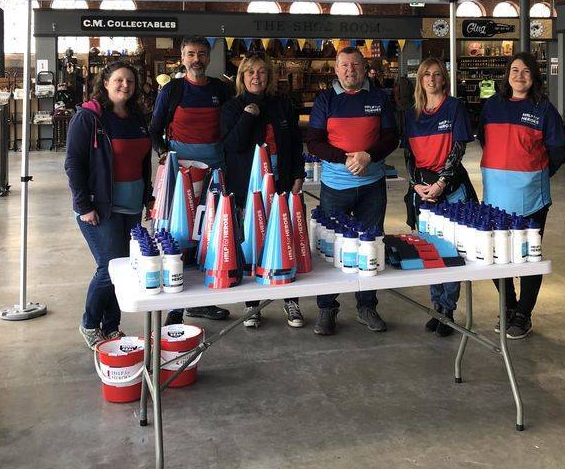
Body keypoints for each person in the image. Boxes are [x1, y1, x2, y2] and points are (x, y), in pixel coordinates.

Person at [307, 47, 398, 336]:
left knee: (371, 246)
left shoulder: (379, 98)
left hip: (372, 187)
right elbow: (315, 142)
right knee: (331, 248)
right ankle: (327, 308)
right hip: (335, 187)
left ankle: (367, 306)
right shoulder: (325, 100)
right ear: (336, 70)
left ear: (364, 67)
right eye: (344, 65)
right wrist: (345, 158)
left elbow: (392, 136)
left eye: (355, 65)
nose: (350, 70)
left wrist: (368, 156)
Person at [479, 52, 565, 340]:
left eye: (526, 71)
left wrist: (535, 173)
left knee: (528, 257)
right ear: (507, 75)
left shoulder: (544, 109)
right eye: (514, 70)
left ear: (534, 77)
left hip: (531, 198)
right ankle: (508, 305)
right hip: (495, 196)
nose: (519, 76)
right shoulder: (492, 106)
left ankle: (524, 314)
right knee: (495, 255)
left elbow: (557, 151)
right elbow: (484, 138)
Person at [65, 60, 151, 349]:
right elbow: (74, 164)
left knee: (125, 267)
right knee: (109, 267)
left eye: (130, 81)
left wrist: (148, 195)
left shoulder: (138, 117)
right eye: (119, 80)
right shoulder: (89, 118)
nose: (125, 85)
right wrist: (84, 203)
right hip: (100, 207)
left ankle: (111, 326)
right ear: (105, 83)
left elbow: (142, 161)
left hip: (132, 205)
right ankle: (90, 323)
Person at [148, 36, 231, 324]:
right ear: (182, 58)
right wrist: (162, 153)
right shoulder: (171, 90)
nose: (197, 59)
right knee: (180, 237)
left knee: (210, 235)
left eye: (202, 54)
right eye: (191, 54)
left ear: (208, 58)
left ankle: (203, 302)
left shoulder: (222, 89)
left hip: (216, 174)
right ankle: (175, 308)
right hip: (182, 176)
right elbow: (154, 128)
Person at [221, 53, 306, 329]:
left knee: (285, 241)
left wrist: (297, 175)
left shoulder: (281, 105)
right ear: (242, 77)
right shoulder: (232, 107)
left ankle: (289, 299)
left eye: (261, 72)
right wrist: (247, 116)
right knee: (252, 245)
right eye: (250, 73)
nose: (256, 77)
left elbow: (294, 143)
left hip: (281, 185)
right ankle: (252, 305)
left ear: (268, 77)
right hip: (248, 189)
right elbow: (232, 145)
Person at [402, 57, 476, 337]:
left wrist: (442, 182)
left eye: (436, 75)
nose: (431, 80)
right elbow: (408, 155)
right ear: (420, 80)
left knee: (452, 250)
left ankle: (448, 309)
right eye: (425, 75)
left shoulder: (455, 107)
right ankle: (436, 306)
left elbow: (457, 149)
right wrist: (416, 184)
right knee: (430, 250)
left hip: (451, 187)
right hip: (423, 189)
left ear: (444, 79)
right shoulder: (411, 115)